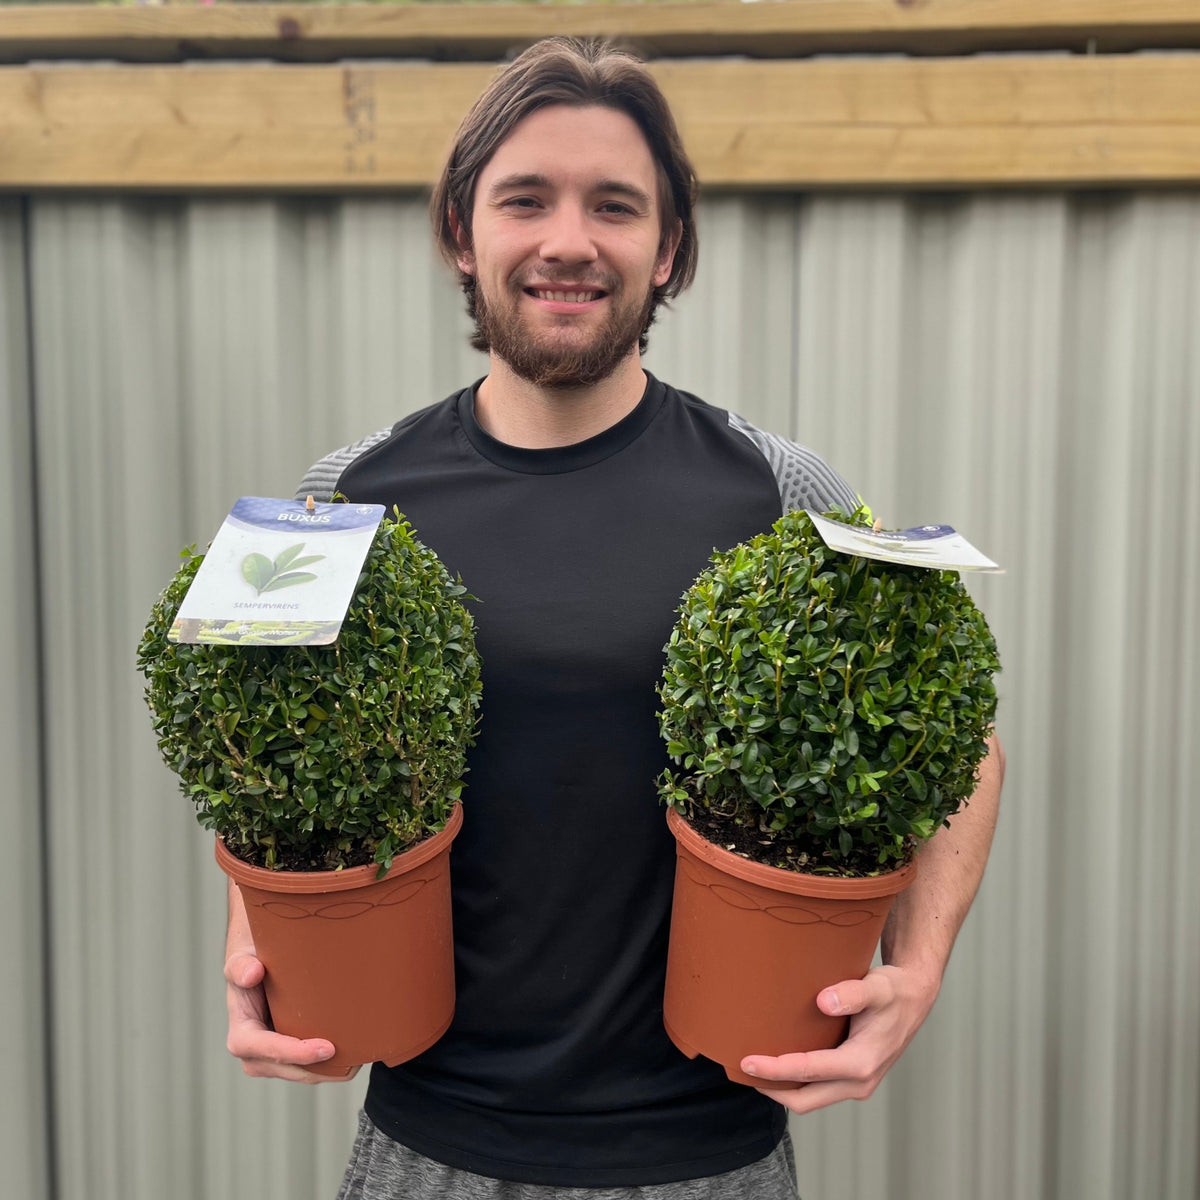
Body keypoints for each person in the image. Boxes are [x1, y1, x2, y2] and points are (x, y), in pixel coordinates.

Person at [223, 36, 1005, 1199]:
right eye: (524, 198)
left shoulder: (782, 492)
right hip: (428, 1151)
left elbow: (960, 741)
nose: (569, 240)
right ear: (460, 230)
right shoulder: (344, 496)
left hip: (706, 1157)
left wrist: (921, 962)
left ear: (670, 246)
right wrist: (253, 938)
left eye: (616, 206)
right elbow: (247, 746)